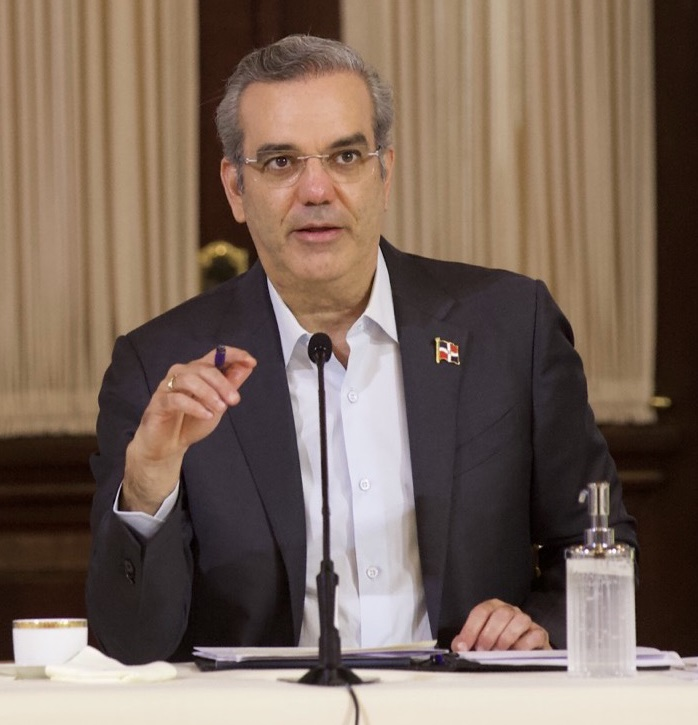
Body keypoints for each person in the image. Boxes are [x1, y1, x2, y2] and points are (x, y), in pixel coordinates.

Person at [86, 34, 637, 665]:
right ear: (235, 189)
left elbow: (601, 544)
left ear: (385, 173)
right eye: (281, 163)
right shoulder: (160, 368)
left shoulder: (510, 328)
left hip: (465, 701)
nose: (317, 190)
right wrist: (147, 485)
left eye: (345, 156)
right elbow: (129, 643)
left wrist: (536, 627)